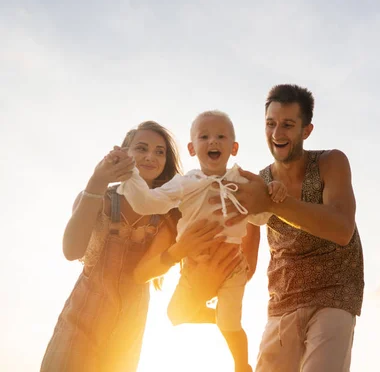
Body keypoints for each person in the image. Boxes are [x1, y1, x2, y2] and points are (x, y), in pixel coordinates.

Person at [41, 121, 241, 372]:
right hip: (81, 318)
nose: (151, 157)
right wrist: (96, 181)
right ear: (124, 153)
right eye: (142, 148)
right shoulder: (98, 197)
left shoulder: (170, 214)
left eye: (160, 152)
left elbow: (150, 269)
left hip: (128, 327)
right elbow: (72, 251)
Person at [117, 111, 286, 372]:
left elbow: (263, 217)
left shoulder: (242, 181)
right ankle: (217, 316)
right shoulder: (186, 183)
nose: (213, 142)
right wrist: (130, 174)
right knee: (175, 314)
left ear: (234, 147)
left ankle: (242, 365)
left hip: (232, 265)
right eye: (204, 136)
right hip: (195, 262)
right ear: (192, 148)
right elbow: (147, 202)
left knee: (232, 326)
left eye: (221, 136)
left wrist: (273, 192)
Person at [212, 85, 365, 372]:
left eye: (287, 125)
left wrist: (274, 203)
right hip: (282, 300)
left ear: (306, 131)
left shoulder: (331, 162)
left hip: (335, 292)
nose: (277, 133)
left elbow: (342, 228)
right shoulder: (258, 181)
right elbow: (247, 259)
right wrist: (217, 281)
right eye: (270, 124)